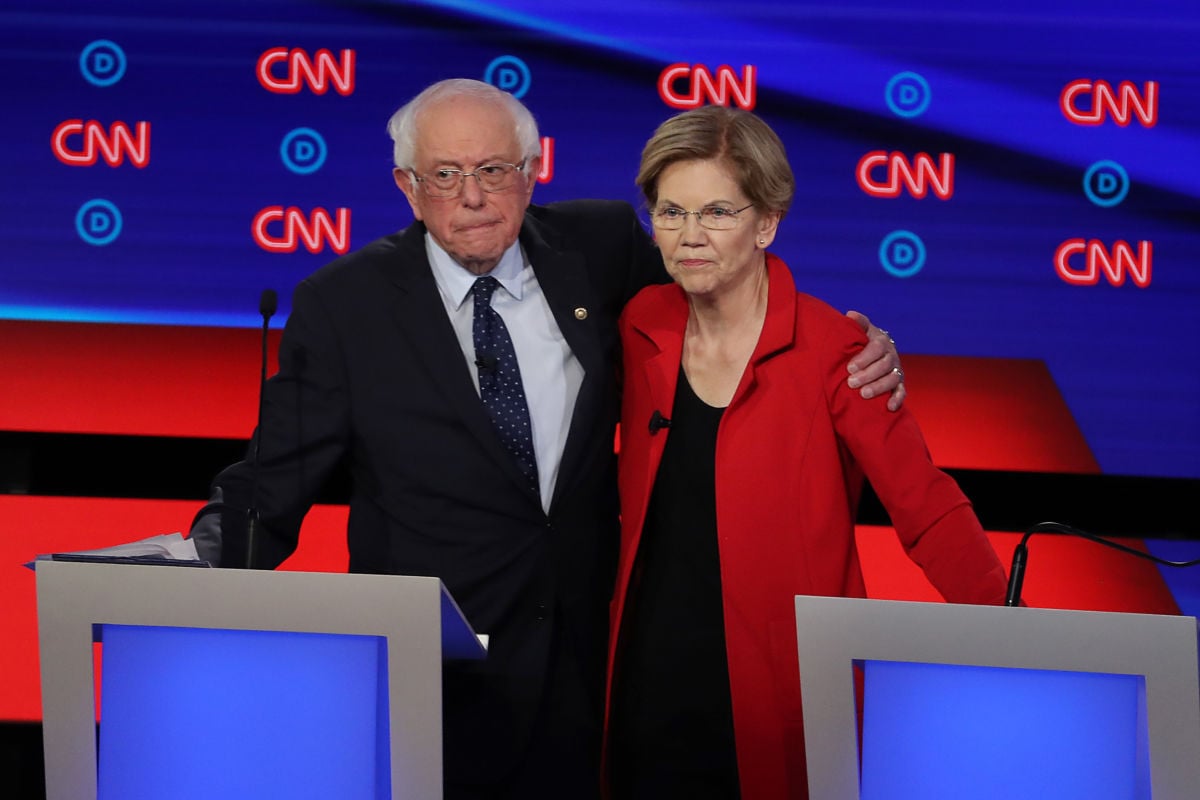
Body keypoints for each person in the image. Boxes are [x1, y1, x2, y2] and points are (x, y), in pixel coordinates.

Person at [188, 79, 904, 800]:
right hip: (438, 680)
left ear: (532, 173)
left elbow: (723, 287)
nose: (472, 196)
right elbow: (274, 480)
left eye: (494, 170)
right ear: (407, 186)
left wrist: (849, 342)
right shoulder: (345, 306)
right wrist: (194, 561)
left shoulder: (601, 248)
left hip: (587, 674)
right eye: (445, 175)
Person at [604, 105, 1010, 799]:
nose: (690, 236)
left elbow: (926, 506)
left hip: (783, 692)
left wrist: (1018, 632)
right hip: (649, 677)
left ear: (767, 222)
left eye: (718, 213)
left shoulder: (836, 350)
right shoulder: (640, 321)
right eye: (671, 213)